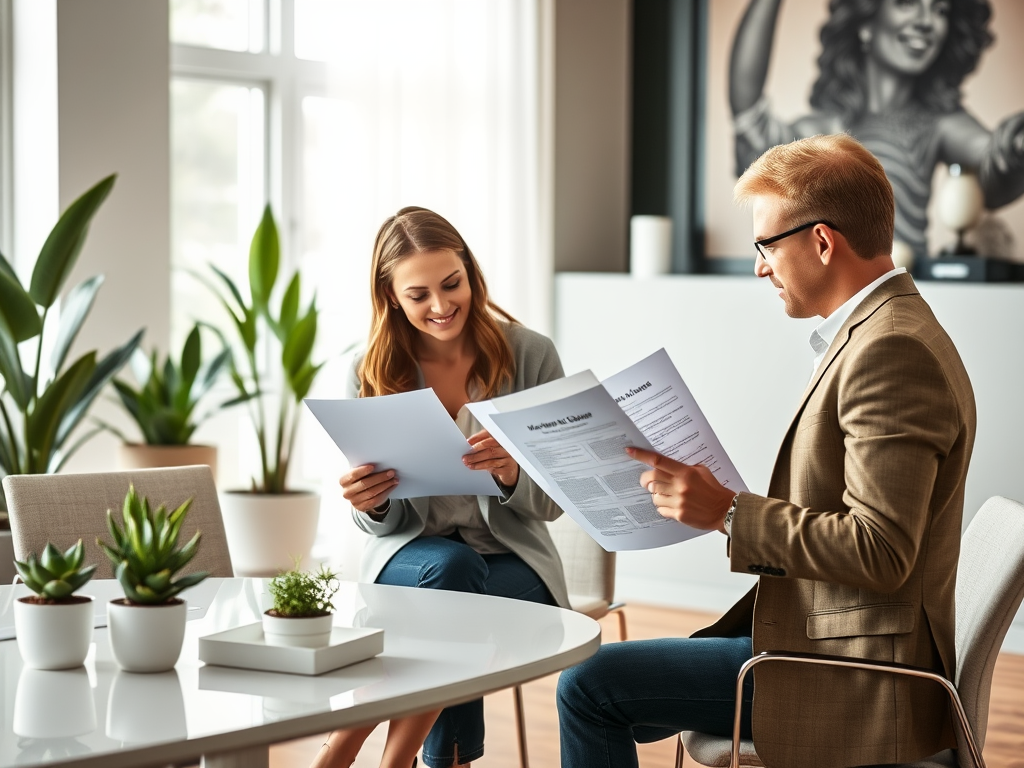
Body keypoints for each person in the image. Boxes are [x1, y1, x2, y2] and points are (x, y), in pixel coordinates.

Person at [556, 134, 977, 768]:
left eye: (765, 246)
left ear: (822, 241)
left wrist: (728, 512)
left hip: (851, 675)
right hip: (824, 639)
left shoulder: (892, 352)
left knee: (589, 685)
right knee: (617, 684)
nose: (759, 266)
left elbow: (883, 550)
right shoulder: (879, 333)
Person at [312, 206, 568, 768]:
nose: (440, 306)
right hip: (412, 556)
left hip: (513, 558)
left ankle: (352, 742)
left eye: (452, 284)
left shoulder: (531, 355)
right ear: (392, 298)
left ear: (470, 274)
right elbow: (375, 520)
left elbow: (552, 504)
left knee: (453, 604)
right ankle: (429, 761)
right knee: (452, 579)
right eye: (419, 294)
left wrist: (510, 474)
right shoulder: (367, 369)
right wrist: (368, 501)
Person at [730, 0, 1024, 260]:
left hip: (906, 288)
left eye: (940, 9)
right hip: (833, 293)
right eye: (907, 3)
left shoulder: (940, 124)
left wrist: (1014, 147)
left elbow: (997, 164)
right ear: (866, 21)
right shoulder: (820, 130)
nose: (926, 21)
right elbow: (749, 120)